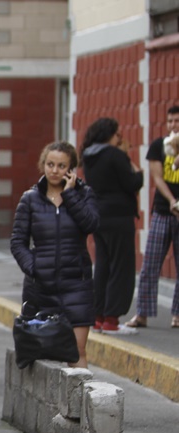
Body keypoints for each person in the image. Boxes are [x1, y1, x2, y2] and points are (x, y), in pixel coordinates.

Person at [10, 141, 99, 368]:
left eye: (61, 166)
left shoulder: (84, 194)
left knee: (77, 351)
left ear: (71, 169)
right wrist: (34, 267)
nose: (54, 170)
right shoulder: (30, 199)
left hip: (76, 285)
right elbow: (18, 242)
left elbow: (91, 224)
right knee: (35, 351)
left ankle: (78, 403)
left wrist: (70, 195)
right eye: (50, 164)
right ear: (43, 164)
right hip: (41, 286)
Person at [80, 117, 143, 335]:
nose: (119, 138)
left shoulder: (88, 156)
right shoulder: (115, 155)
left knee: (103, 266)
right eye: (117, 135)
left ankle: (98, 317)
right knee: (121, 266)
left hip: (99, 216)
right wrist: (133, 164)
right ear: (109, 135)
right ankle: (112, 320)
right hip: (119, 217)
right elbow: (133, 182)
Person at [127, 105, 179, 330]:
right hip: (162, 210)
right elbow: (157, 178)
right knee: (150, 264)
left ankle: (177, 315)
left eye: (176, 121)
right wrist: (172, 201)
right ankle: (142, 314)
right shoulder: (159, 146)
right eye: (170, 121)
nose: (173, 125)